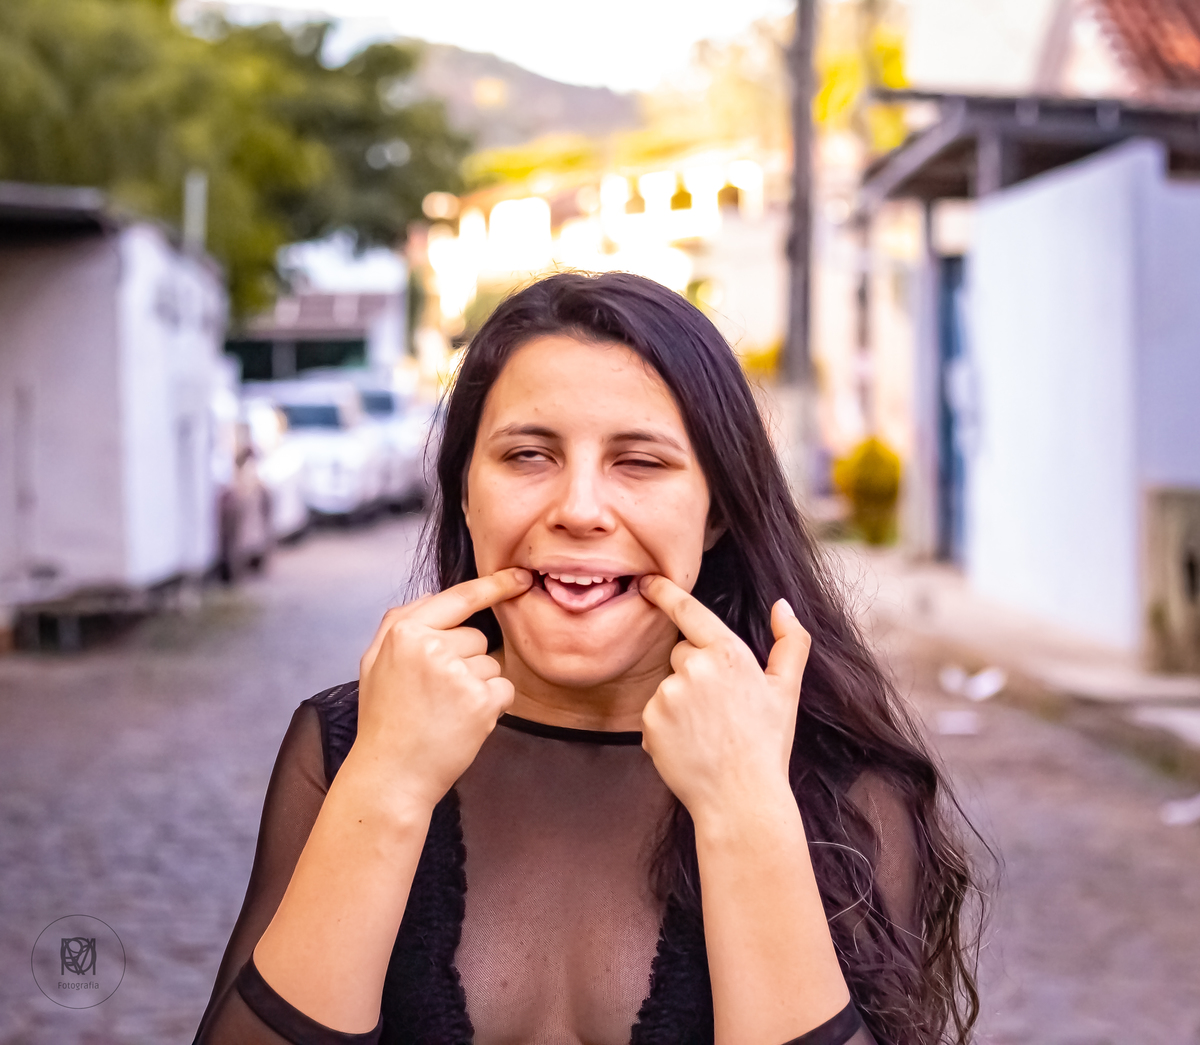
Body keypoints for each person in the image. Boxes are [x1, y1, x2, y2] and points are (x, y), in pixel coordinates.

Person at [191, 271, 982, 1045]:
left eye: (640, 461)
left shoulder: (847, 792)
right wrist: (386, 781)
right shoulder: (344, 746)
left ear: (715, 512)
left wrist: (747, 810)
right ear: (464, 493)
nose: (579, 510)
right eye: (528, 455)